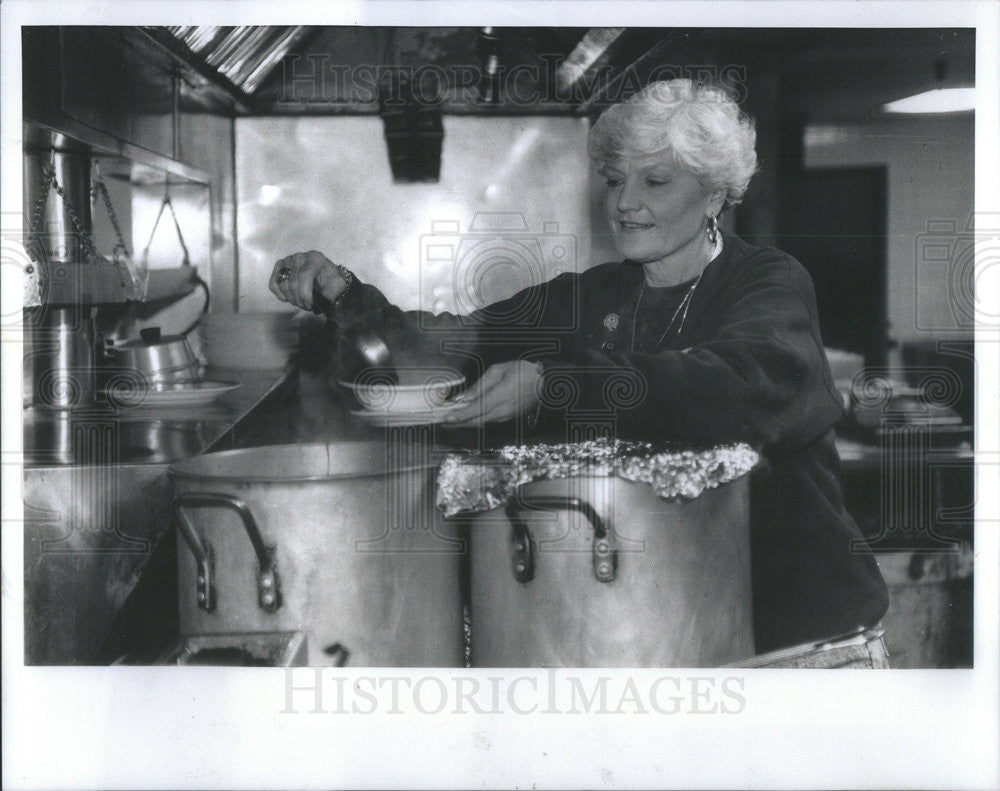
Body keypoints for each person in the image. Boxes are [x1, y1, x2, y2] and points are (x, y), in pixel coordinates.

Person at [270, 78, 889, 659]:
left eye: (655, 183)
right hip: (669, 628)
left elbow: (738, 388)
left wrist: (552, 384)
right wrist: (344, 294)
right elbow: (445, 349)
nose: (624, 203)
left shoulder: (767, 283)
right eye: (616, 180)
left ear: (717, 194)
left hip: (802, 642)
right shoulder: (588, 299)